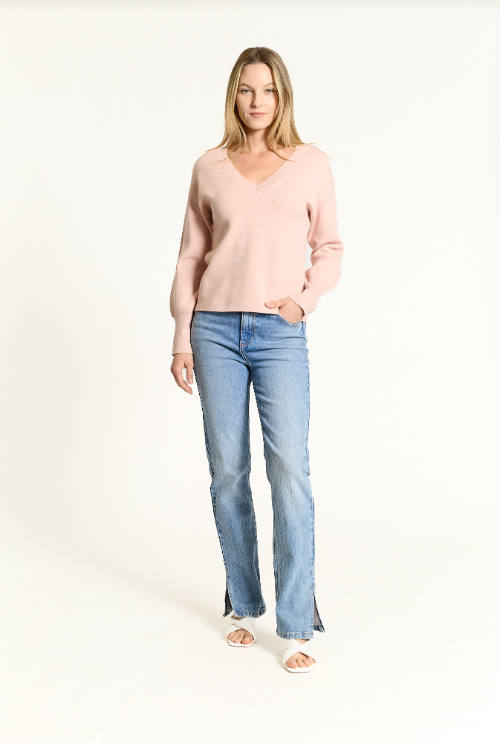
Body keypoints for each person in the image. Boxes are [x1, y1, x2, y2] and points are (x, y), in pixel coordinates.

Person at [169, 46, 344, 673]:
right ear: (233, 96)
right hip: (213, 330)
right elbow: (191, 256)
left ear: (283, 95)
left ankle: (295, 624)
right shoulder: (210, 167)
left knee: (290, 472)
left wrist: (303, 301)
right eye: (246, 89)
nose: (257, 101)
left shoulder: (310, 164)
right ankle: (243, 603)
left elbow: (329, 247)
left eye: (267, 89)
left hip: (279, 333)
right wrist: (182, 335)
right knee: (228, 473)